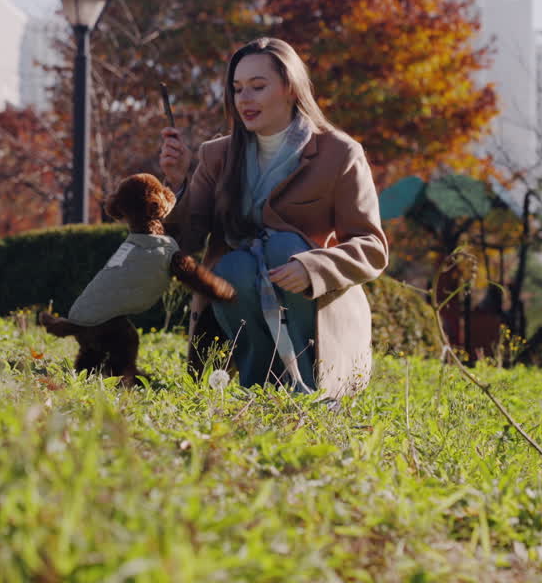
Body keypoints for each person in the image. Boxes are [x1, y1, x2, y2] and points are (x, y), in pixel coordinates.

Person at [159, 37, 388, 400]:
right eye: (237, 89)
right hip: (239, 293)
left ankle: (312, 386)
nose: (244, 99)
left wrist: (314, 268)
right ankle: (258, 387)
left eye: (258, 86)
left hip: (315, 308)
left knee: (283, 246)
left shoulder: (340, 153)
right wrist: (178, 181)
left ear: (290, 88)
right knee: (232, 267)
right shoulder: (216, 155)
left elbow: (372, 248)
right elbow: (184, 242)